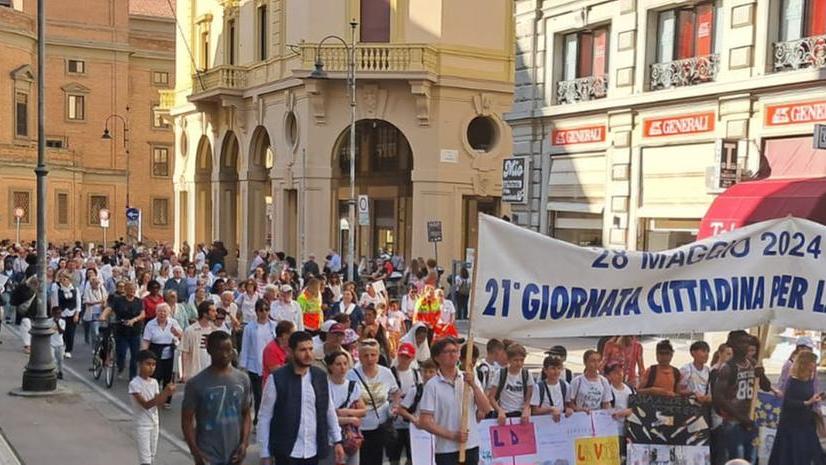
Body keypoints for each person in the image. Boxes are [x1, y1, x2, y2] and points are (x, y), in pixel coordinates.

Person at [257, 331, 345, 465]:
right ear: (291, 352)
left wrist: (337, 440)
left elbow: (328, 410)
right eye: (303, 350)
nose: (308, 354)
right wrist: (265, 453)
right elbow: (265, 417)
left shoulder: (320, 377)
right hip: (286, 452)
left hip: (313, 451)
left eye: (310, 349)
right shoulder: (276, 379)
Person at [418, 337, 493, 465]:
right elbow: (425, 421)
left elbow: (486, 409)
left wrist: (473, 385)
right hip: (446, 450)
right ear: (437, 358)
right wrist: (452, 435)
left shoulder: (469, 378)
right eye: (447, 352)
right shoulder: (432, 385)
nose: (453, 355)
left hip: (471, 446)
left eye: (455, 351)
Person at [182, 330, 252, 465]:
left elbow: (246, 414)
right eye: (220, 350)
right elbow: (186, 421)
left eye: (229, 350)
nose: (225, 355)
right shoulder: (195, 383)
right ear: (209, 350)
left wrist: (244, 444)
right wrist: (196, 452)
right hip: (208, 456)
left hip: (234, 455)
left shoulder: (243, 379)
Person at [349, 338, 400, 465]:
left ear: (378, 356)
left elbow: (395, 392)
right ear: (359, 357)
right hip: (359, 428)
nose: (370, 358)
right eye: (365, 355)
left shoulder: (386, 373)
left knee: (377, 459)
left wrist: (395, 406)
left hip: (380, 426)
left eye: (373, 355)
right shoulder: (351, 375)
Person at [768, 351, 824, 465]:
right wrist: (807, 402)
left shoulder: (810, 379)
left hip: (806, 422)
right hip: (792, 424)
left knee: (811, 452)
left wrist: (816, 399)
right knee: (792, 454)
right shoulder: (793, 381)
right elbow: (788, 403)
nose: (814, 365)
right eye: (813, 363)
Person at [714, 331, 759, 464]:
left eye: (747, 342)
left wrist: (761, 374)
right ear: (732, 345)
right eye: (741, 342)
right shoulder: (728, 368)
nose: (745, 345)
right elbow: (718, 397)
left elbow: (766, 386)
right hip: (733, 422)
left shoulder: (752, 362)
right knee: (736, 459)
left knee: (751, 458)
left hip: (751, 419)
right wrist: (740, 417)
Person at [130, 350, 175, 465]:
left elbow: (158, 403)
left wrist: (167, 394)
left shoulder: (154, 382)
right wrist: (164, 393)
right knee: (146, 459)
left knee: (152, 456)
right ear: (139, 364)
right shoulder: (134, 384)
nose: (151, 367)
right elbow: (146, 405)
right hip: (142, 425)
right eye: (148, 364)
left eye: (153, 365)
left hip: (154, 423)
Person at [325, 350, 367, 465]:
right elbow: (326, 417)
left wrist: (345, 412)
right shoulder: (324, 387)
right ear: (330, 367)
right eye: (338, 364)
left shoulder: (353, 386)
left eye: (345, 363)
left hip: (350, 437)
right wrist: (350, 419)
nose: (343, 367)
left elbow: (363, 411)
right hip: (330, 439)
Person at [239, 299, 277, 426]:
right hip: (255, 366)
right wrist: (243, 365)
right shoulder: (250, 328)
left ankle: (269, 417)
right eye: (261, 310)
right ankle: (258, 419)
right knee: (258, 394)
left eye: (266, 309)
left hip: (270, 365)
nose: (264, 312)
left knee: (270, 392)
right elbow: (245, 347)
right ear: (256, 311)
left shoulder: (274, 326)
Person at [141, 302, 182, 408]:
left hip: (170, 351)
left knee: (168, 377)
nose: (162, 314)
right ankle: (154, 398)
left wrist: (176, 333)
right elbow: (146, 341)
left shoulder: (173, 322)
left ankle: (167, 400)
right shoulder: (150, 324)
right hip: (155, 350)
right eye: (160, 311)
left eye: (164, 311)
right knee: (155, 376)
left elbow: (181, 336)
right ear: (156, 312)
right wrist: (143, 355)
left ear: (168, 313)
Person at [387, 342, 420, 465]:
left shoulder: (416, 374)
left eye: (408, 357)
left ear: (412, 358)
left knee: (412, 456)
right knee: (394, 457)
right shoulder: (390, 373)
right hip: (394, 422)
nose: (404, 359)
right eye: (402, 356)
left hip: (411, 422)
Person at [487, 343, 532, 424]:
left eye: (522, 360)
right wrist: (499, 410)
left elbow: (528, 397)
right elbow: (491, 397)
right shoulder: (500, 374)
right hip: (504, 414)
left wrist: (526, 409)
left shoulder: (527, 374)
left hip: (521, 415)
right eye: (515, 360)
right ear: (509, 360)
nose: (519, 363)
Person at [113, 282, 146, 380]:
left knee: (135, 354)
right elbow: (111, 309)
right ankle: (120, 366)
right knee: (121, 352)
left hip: (135, 331)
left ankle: (133, 375)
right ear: (126, 289)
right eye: (129, 288)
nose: (132, 290)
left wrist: (133, 320)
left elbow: (142, 314)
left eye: (133, 289)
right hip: (121, 330)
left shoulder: (139, 301)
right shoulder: (119, 300)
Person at [179, 301, 217, 382]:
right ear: (205, 313)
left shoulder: (215, 330)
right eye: (213, 311)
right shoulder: (190, 330)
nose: (215, 313)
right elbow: (184, 352)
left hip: (211, 373)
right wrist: (184, 373)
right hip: (194, 373)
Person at [398, 358, 439, 427]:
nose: (427, 374)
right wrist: (413, 419)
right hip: (418, 430)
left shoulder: (441, 390)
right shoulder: (416, 390)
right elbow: (401, 409)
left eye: (431, 372)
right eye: (425, 371)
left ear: (437, 373)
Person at [530, 356, 572, 421]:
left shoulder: (565, 385)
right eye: (553, 368)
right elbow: (535, 410)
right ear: (545, 370)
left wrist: (568, 409)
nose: (556, 371)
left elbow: (566, 404)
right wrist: (551, 409)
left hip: (561, 422)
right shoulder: (538, 387)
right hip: (543, 422)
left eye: (559, 368)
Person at [53, 271, 81, 358]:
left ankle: (69, 350)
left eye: (65, 279)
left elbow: (78, 303)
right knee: (62, 332)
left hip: (72, 314)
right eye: (62, 279)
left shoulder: (75, 290)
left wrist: (77, 314)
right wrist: (56, 315)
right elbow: (55, 303)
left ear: (69, 280)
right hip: (62, 314)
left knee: (71, 333)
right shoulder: (58, 291)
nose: (63, 281)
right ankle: (63, 347)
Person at [261, 320, 295, 389]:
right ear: (284, 335)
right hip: (273, 386)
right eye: (292, 333)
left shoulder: (289, 347)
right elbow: (277, 371)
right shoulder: (270, 349)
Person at [50, 306, 66, 380]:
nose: (58, 315)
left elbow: (61, 332)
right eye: (56, 313)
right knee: (53, 359)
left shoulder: (62, 322)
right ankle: (54, 371)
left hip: (60, 343)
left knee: (60, 359)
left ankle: (60, 371)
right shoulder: (48, 321)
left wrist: (57, 323)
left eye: (59, 313)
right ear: (53, 314)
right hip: (51, 343)